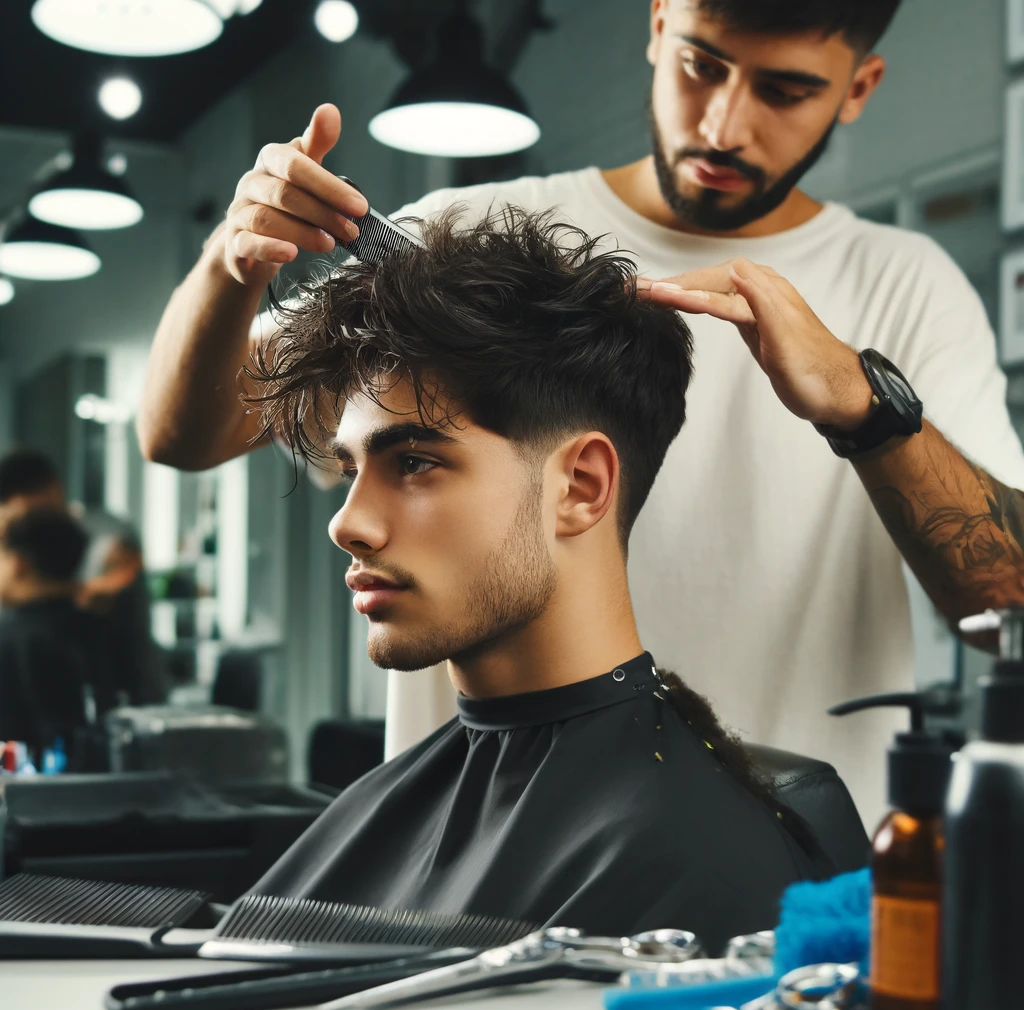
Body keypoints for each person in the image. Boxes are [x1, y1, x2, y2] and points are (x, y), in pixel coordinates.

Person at [137, 0, 1024, 823]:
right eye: (701, 65)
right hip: (480, 865)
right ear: (657, 22)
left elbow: (1008, 601)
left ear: (859, 87)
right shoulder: (467, 232)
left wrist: (867, 407)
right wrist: (233, 262)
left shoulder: (906, 286)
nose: (723, 124)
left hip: (790, 884)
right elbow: (184, 434)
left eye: (785, 89)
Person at [245, 208, 829, 951]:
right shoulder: (380, 805)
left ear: (581, 487)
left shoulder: (699, 871)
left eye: (415, 463)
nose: (347, 523)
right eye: (352, 468)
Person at [0, 449, 166, 706]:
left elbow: (111, 585)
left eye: (17, 509)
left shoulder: (106, 535)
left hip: (119, 683)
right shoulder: (20, 538)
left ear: (52, 490)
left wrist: (58, 590)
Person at [0, 507, 115, 761]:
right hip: (98, 784)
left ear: (18, 564)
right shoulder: (98, 627)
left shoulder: (11, 638)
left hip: (21, 791)